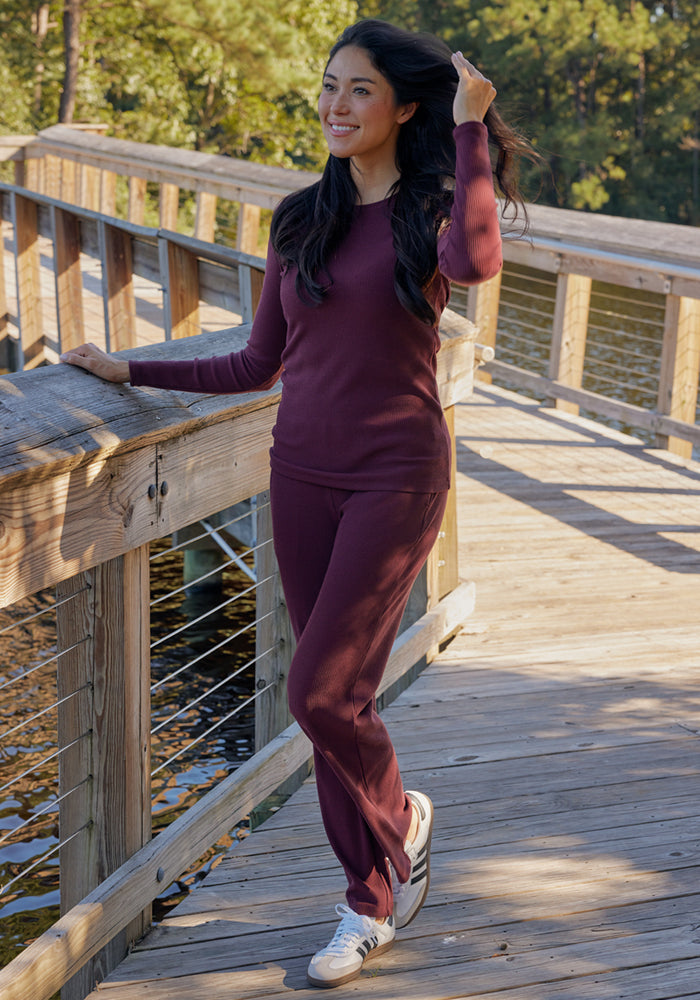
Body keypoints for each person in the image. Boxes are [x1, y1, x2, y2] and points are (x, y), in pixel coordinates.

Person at [61, 18, 529, 989]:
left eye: (358, 89)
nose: (334, 104)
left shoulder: (430, 210)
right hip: (301, 475)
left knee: (317, 690)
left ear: (403, 107)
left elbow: (480, 262)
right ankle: (368, 900)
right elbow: (257, 362)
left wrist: (471, 124)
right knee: (333, 706)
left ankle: (397, 829)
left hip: (396, 476)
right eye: (327, 85)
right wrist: (129, 368)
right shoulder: (299, 220)